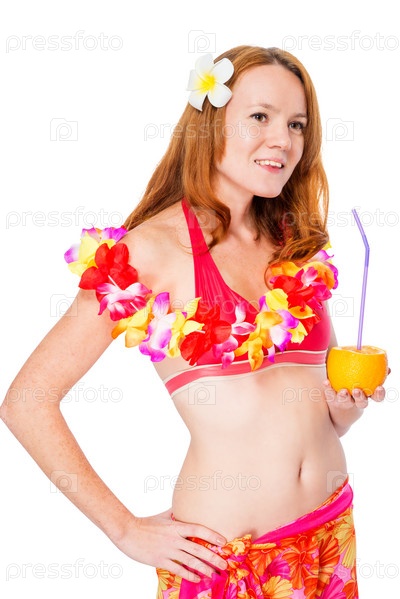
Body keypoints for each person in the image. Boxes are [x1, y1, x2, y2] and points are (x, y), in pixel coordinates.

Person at [0, 45, 388, 599]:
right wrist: (124, 529)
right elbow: (26, 402)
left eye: (296, 124)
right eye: (260, 116)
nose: (283, 139)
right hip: (226, 560)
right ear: (210, 124)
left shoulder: (293, 245)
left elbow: (312, 416)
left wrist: (344, 407)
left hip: (329, 537)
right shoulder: (147, 253)